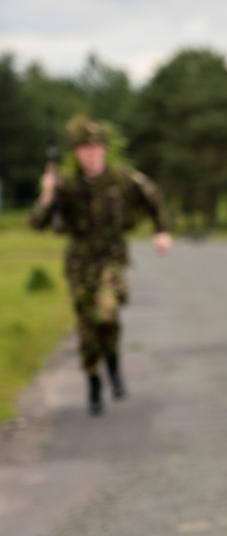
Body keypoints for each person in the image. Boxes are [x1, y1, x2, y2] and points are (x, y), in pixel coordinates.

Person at [29, 116, 171, 416]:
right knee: (87, 328)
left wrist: (162, 230)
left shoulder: (122, 179)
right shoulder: (66, 185)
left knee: (107, 314)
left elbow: (152, 195)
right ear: (77, 153)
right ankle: (94, 379)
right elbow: (37, 223)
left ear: (104, 150)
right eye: (84, 149)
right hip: (80, 263)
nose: (90, 154)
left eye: (95, 148)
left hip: (111, 259)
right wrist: (47, 192)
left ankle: (114, 365)